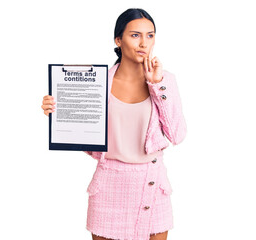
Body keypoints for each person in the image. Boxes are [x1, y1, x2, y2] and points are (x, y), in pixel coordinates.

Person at [41, 8, 187, 240]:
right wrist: (59, 114)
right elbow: (90, 144)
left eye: (150, 35)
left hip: (151, 184)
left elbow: (177, 134)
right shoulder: (98, 83)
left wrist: (157, 85)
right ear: (118, 40)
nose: (144, 43)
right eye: (135, 35)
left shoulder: (164, 80)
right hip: (109, 186)